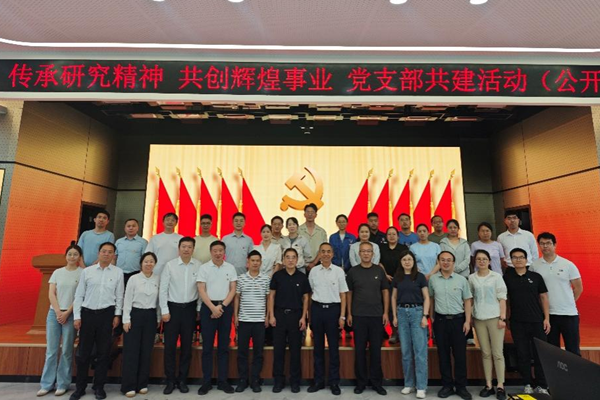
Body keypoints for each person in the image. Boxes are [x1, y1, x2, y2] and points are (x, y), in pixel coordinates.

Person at [70, 242, 124, 400]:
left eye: (110, 252)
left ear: (113, 255)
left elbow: (119, 295)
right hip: (87, 315)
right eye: (104, 251)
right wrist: (77, 316)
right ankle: (80, 388)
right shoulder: (87, 272)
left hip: (107, 315)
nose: (106, 254)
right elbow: (79, 295)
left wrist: (117, 315)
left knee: (103, 353)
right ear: (99, 253)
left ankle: (99, 386)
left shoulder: (118, 272)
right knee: (83, 354)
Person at [37, 243, 83, 397]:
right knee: (51, 350)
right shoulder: (57, 272)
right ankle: (47, 384)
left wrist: (67, 312)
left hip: (70, 314)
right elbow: (51, 293)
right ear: (66, 256)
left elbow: (80, 296)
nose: (72, 257)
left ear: (79, 257)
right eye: (70, 254)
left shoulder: (82, 273)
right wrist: (58, 311)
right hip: (54, 314)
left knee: (66, 351)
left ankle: (63, 383)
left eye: (75, 254)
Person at [503, 248, 550, 395]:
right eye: (515, 257)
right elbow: (506, 300)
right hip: (517, 322)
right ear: (511, 260)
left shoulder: (536, 277)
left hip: (537, 321)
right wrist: (506, 317)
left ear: (526, 259)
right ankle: (527, 383)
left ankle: (542, 385)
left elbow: (543, 297)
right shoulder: (507, 278)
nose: (518, 260)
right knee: (522, 353)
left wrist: (547, 318)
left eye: (521, 257)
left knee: (539, 354)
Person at [159, 237, 201, 395]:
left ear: (193, 249)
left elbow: (200, 289)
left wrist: (198, 309)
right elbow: (163, 289)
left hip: (190, 309)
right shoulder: (170, 265)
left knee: (186, 347)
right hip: (172, 309)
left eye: (189, 247)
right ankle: (170, 380)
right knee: (169, 346)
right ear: (179, 248)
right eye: (184, 246)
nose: (186, 249)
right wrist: (164, 310)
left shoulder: (198, 265)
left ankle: (183, 380)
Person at [428, 251, 473, 400]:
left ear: (453, 263)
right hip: (440, 321)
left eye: (449, 260)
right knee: (443, 354)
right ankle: (447, 385)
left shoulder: (462, 280)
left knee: (460, 355)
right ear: (439, 262)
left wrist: (467, 321)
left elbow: (467, 301)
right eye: (443, 260)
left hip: (458, 321)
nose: (446, 262)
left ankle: (461, 387)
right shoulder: (433, 280)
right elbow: (431, 299)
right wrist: (431, 317)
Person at [346, 242, 389, 396]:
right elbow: (349, 293)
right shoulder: (353, 271)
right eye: (363, 251)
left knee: (376, 351)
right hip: (358, 316)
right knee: (360, 351)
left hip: (376, 316)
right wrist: (349, 313)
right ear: (359, 253)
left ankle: (377, 383)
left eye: (368, 251)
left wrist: (385, 312)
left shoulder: (379, 270)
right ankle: (361, 383)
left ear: (373, 253)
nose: (366, 254)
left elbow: (385, 291)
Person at [530, 232, 583, 355]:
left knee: (573, 350)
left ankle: (573, 369)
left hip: (568, 314)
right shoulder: (534, 266)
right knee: (552, 351)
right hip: (548, 315)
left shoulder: (568, 264)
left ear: (555, 245)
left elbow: (578, 288)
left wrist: (568, 301)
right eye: (542, 243)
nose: (545, 246)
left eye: (548, 243)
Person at [197, 240, 238, 395]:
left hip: (224, 307)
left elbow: (233, 289)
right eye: (215, 250)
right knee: (207, 347)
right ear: (211, 252)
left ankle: (223, 381)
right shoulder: (204, 268)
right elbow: (201, 289)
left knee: (223, 347)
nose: (218, 253)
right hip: (208, 308)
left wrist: (221, 306)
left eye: (221, 250)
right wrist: (213, 308)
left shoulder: (230, 268)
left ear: (224, 252)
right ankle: (206, 382)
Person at [308, 243, 348, 396]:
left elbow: (343, 295)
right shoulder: (313, 271)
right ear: (319, 253)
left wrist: (342, 316)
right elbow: (310, 294)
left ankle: (334, 382)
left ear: (332, 254)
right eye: (323, 251)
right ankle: (318, 381)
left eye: (328, 252)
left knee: (333, 349)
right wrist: (310, 317)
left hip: (333, 311)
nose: (325, 254)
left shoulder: (338, 271)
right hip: (317, 310)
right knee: (317, 348)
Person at [268, 248, 310, 393]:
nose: (290, 260)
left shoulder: (302, 277)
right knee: (278, 351)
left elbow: (306, 298)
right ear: (283, 260)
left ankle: (295, 382)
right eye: (288, 257)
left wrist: (303, 317)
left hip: (296, 317)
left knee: (295, 351)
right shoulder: (277, 276)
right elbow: (271, 296)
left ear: (297, 260)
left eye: (293, 257)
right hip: (279, 316)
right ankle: (278, 382)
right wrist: (271, 315)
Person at [468, 249, 508, 400]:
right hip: (479, 318)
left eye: (484, 259)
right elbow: (470, 299)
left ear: (489, 261)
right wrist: (470, 317)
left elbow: (502, 298)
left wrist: (502, 318)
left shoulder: (496, 277)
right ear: (475, 261)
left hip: (495, 318)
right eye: (479, 259)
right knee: (485, 352)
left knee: (497, 353)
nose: (481, 261)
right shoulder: (471, 278)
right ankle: (488, 385)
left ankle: (500, 385)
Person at [120, 252, 161, 398]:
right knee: (131, 351)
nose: (149, 264)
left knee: (146, 351)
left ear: (155, 264)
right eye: (146, 261)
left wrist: (158, 318)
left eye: (151, 261)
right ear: (141, 264)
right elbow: (127, 299)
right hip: (135, 315)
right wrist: (126, 319)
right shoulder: (134, 279)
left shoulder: (158, 279)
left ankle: (142, 383)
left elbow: (158, 301)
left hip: (150, 316)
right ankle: (128, 385)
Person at [391, 250, 430, 399]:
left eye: (409, 259)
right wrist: (394, 316)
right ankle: (409, 384)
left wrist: (425, 316)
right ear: (401, 262)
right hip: (401, 313)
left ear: (413, 261)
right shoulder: (397, 277)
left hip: (417, 313)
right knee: (406, 351)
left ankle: (421, 386)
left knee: (420, 352)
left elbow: (426, 297)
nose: (407, 262)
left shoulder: (419, 277)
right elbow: (393, 297)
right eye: (404, 260)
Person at [234, 251, 270, 393]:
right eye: (252, 260)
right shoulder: (241, 278)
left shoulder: (266, 279)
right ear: (247, 262)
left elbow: (268, 299)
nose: (255, 263)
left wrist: (267, 316)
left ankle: (255, 380)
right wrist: (236, 316)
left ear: (261, 262)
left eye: (257, 260)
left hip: (259, 321)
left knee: (258, 353)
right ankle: (243, 380)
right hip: (244, 320)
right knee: (242, 352)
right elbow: (237, 297)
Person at [379, 226, 408, 344]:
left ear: (398, 236)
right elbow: (379, 262)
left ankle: (402, 332)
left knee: (400, 306)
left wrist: (397, 276)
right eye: (389, 234)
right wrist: (385, 274)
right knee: (390, 307)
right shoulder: (382, 248)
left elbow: (406, 262)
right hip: (385, 280)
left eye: (394, 234)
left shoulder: (403, 248)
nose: (391, 236)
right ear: (386, 236)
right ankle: (394, 332)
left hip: (400, 280)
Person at [115, 219, 148, 286]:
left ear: (137, 228)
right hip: (119, 272)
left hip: (135, 273)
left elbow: (145, 259)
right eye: (128, 226)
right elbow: (114, 257)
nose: (131, 228)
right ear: (125, 228)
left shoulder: (143, 242)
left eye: (133, 226)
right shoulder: (119, 242)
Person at [298, 203, 328, 271]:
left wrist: (314, 263)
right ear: (304, 214)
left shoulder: (321, 232)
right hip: (301, 265)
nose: (310, 214)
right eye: (308, 212)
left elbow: (323, 249)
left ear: (316, 215)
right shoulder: (298, 230)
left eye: (312, 212)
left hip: (318, 264)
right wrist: (306, 264)